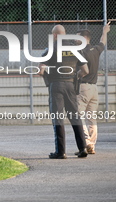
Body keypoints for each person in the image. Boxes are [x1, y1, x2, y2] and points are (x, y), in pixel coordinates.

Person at [39, 25, 89, 159]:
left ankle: (61, 152)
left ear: (55, 35)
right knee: (75, 116)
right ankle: (83, 148)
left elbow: (41, 70)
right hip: (71, 85)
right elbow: (85, 71)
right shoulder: (75, 48)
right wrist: (75, 76)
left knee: (57, 117)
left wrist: (47, 73)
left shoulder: (50, 49)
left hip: (56, 86)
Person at [75, 22, 111, 155]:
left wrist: (76, 76)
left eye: (77, 38)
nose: (75, 40)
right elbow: (103, 42)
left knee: (78, 115)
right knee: (91, 117)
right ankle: (92, 145)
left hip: (83, 87)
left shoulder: (80, 51)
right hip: (94, 88)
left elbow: (84, 71)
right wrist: (105, 31)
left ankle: (87, 142)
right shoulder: (95, 50)